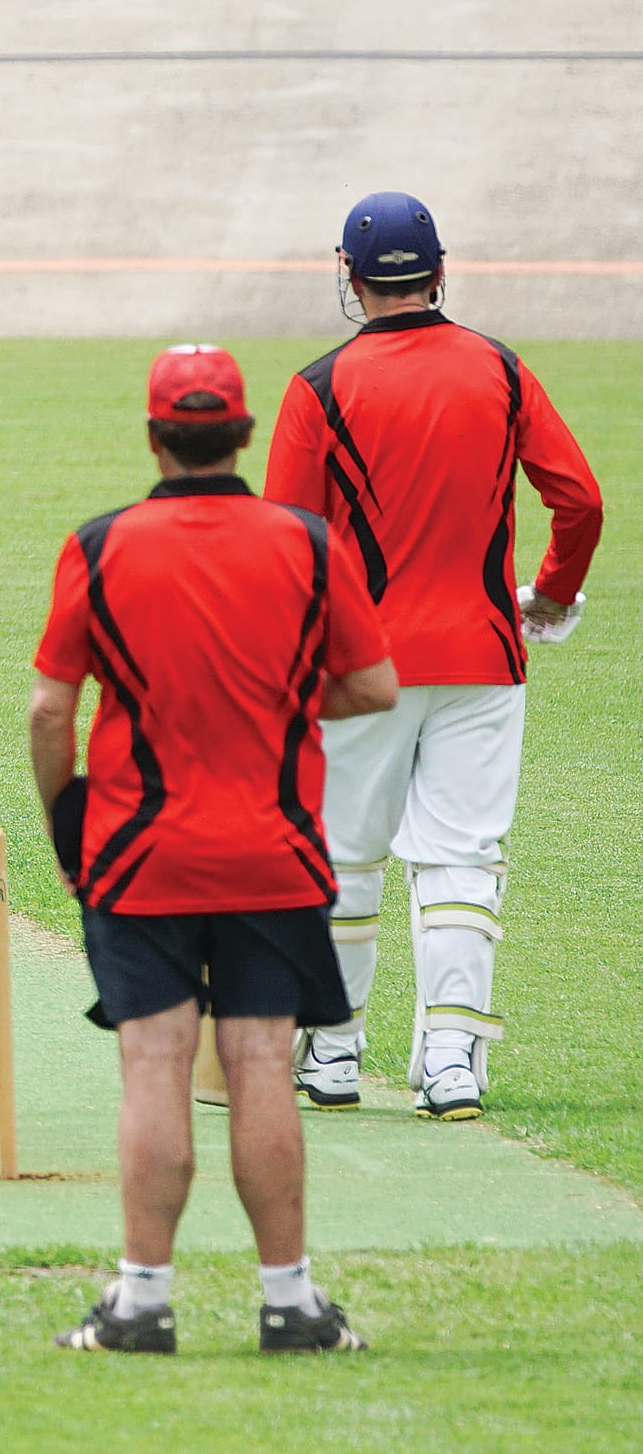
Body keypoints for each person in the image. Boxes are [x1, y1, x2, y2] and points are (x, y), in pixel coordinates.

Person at [32, 345, 395, 1354]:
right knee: (260, 1063)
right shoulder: (307, 542)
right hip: (270, 850)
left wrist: (67, 814)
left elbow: (47, 708)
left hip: (138, 851)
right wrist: (277, 708)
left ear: (154, 437)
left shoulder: (100, 546)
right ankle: (288, 1302)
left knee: (153, 1062)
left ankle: (141, 1303)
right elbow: (372, 688)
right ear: (241, 436)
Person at [266, 192, 604, 1120]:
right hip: (486, 654)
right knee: (463, 859)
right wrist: (556, 594)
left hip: (360, 664)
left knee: (345, 857)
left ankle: (332, 1053)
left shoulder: (319, 387)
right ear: (440, 271)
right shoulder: (499, 369)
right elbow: (579, 501)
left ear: (350, 275)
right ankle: (451, 1059)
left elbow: (293, 543)